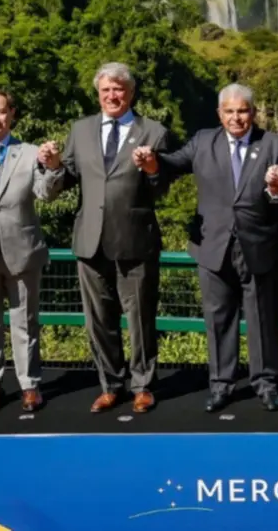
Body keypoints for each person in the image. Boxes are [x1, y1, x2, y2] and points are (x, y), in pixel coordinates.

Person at [133, 84, 278, 413]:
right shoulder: (203, 141)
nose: (236, 117)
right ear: (219, 114)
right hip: (212, 245)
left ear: (253, 112)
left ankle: (266, 383)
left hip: (260, 245)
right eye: (229, 111)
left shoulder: (273, 143)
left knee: (263, 319)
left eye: (243, 111)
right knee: (218, 320)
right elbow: (172, 164)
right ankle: (221, 385)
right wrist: (151, 162)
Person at [55, 62, 170, 414]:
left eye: (118, 89)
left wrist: (152, 168)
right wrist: (52, 165)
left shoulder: (154, 131)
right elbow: (67, 177)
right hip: (90, 239)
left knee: (140, 319)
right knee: (99, 320)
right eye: (106, 90)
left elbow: (162, 186)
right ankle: (110, 385)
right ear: (98, 93)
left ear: (131, 93)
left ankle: (143, 386)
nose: (112, 95)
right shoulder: (80, 130)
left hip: (135, 240)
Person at [0, 90, 64, 414]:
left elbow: (46, 194)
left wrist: (53, 167)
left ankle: (29, 386)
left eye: (0, 111)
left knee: (25, 323)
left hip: (22, 252)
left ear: (12, 113)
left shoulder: (30, 153)